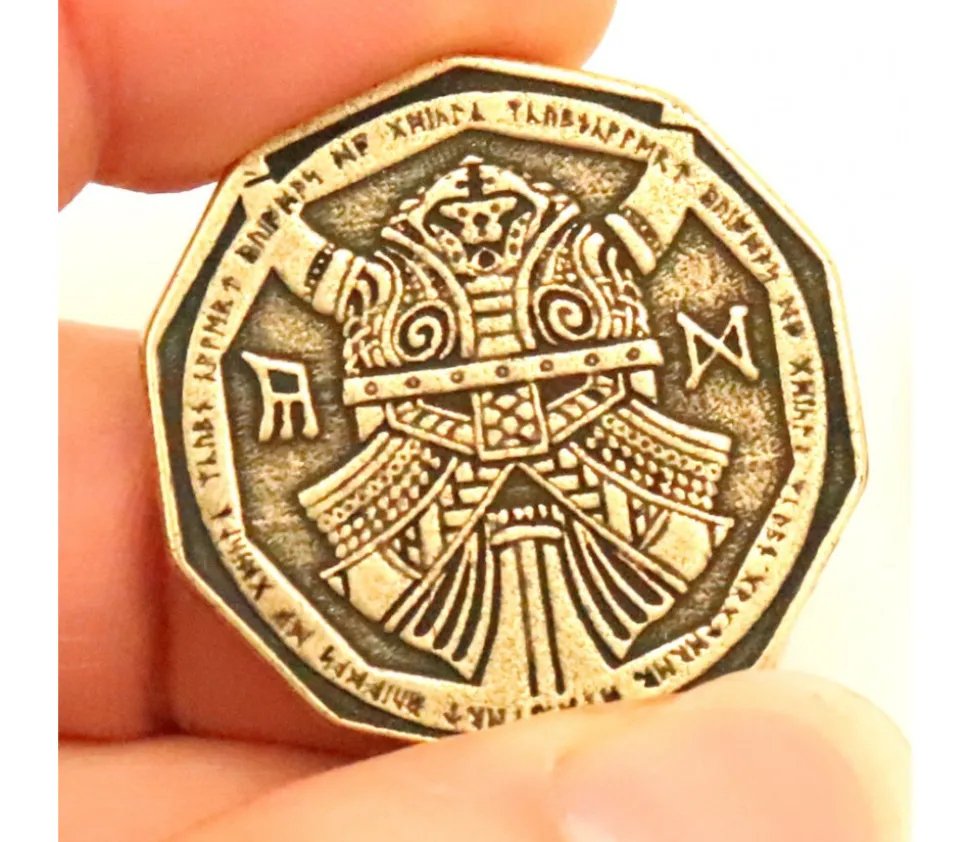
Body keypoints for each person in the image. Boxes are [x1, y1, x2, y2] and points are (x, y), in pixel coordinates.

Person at [58, 2, 908, 840]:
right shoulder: (407, 283)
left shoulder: (558, 261)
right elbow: (313, 262)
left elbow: (642, 219)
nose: (481, 231)